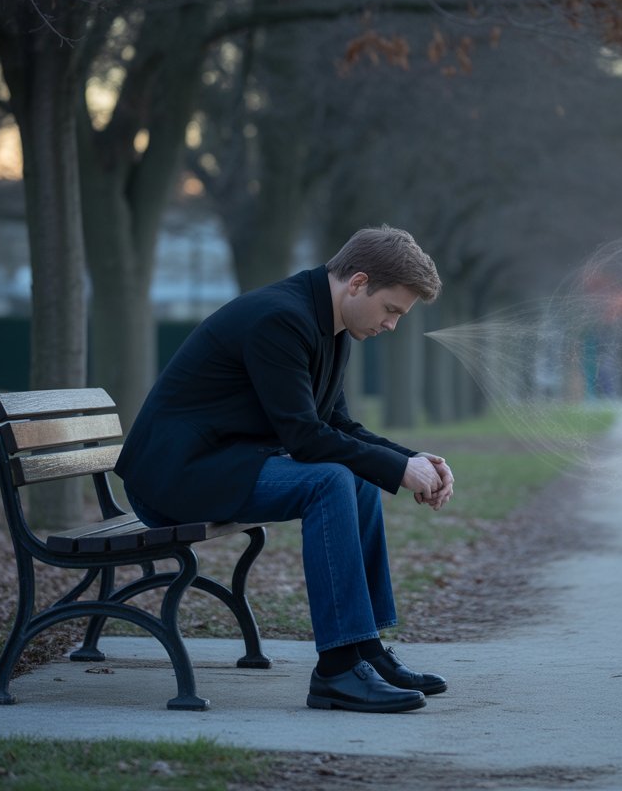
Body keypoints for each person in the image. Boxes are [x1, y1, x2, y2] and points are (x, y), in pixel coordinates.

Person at [116, 225, 456, 713]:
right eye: (391, 311)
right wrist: (399, 470)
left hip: (224, 464)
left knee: (355, 476)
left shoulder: (329, 324)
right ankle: (338, 670)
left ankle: (365, 649)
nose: (391, 325)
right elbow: (305, 438)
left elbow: (337, 424)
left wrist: (410, 459)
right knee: (330, 478)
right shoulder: (281, 318)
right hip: (175, 479)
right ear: (358, 283)